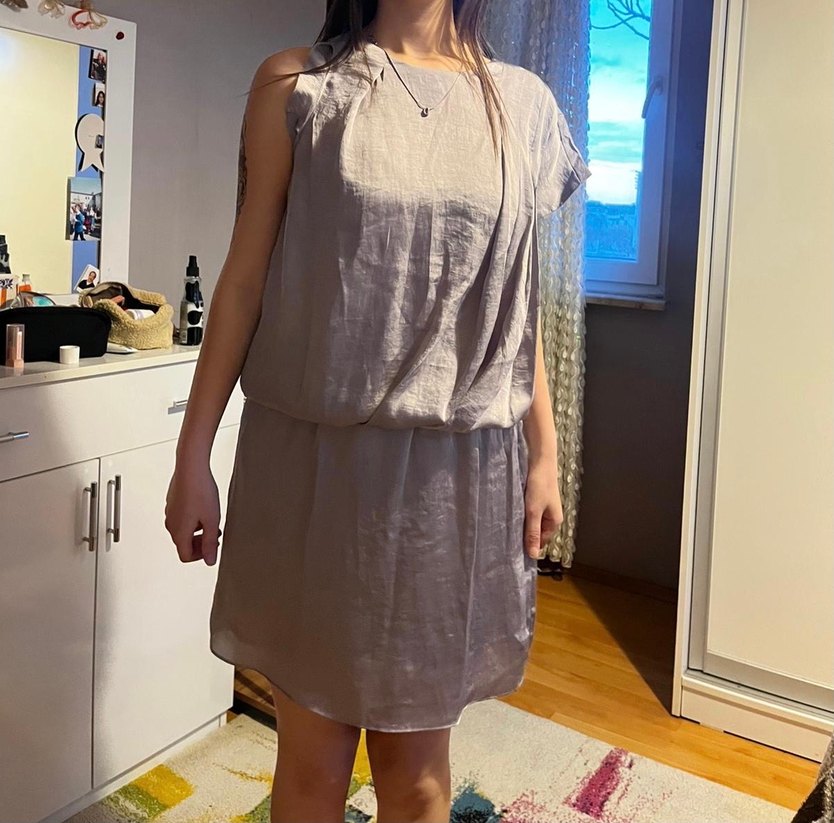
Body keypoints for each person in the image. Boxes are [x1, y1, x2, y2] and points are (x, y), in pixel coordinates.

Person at [165, 1, 590, 821]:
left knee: (419, 774)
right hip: (315, 470)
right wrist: (193, 457)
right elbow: (244, 282)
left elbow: (514, 306)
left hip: (452, 488)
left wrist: (544, 454)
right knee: (311, 766)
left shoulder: (526, 104)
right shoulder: (299, 86)